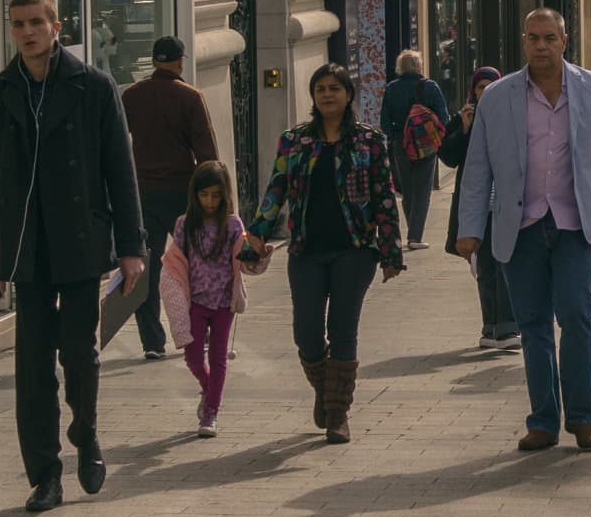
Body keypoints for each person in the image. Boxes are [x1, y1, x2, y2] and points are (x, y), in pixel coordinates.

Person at [0, 0, 145, 513]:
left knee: (78, 352)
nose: (26, 32)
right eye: (18, 24)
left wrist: (131, 247)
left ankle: (86, 435)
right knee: (32, 367)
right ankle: (45, 475)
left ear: (56, 26)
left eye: (35, 23)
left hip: (79, 240)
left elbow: (120, 170)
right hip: (26, 247)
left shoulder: (93, 86)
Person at [455, 8, 591, 453]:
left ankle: (583, 417)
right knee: (532, 324)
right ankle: (543, 421)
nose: (541, 46)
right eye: (533, 37)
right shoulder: (497, 97)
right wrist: (469, 229)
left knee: (577, 315)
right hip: (520, 226)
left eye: (549, 38)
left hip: (574, 223)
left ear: (564, 41)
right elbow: (477, 168)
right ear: (524, 41)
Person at [243, 62, 404, 443]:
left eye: (334, 88)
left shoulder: (370, 141)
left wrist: (390, 251)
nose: (327, 95)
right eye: (321, 89)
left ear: (348, 94)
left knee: (343, 330)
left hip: (355, 250)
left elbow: (384, 197)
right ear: (313, 96)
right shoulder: (294, 141)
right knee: (307, 334)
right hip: (306, 251)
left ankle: (337, 413)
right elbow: (275, 190)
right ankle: (325, 389)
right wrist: (256, 235)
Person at [120, 33, 220, 361]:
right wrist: (215, 195)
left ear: (153, 60)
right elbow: (206, 152)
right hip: (182, 194)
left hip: (143, 194)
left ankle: (152, 341)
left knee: (145, 267)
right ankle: (197, 331)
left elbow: (117, 142)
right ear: (180, 61)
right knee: (193, 264)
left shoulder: (132, 95)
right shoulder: (190, 97)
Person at [158, 161, 253, 437]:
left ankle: (211, 412)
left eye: (216, 195)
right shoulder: (184, 224)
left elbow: (246, 257)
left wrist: (258, 254)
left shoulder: (233, 225)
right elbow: (176, 262)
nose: (210, 201)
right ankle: (208, 387)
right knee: (193, 356)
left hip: (224, 302)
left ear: (225, 195)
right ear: (194, 194)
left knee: (218, 356)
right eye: (204, 195)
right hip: (196, 302)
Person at [442, 66, 519, 351]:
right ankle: (491, 326)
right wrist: (464, 129)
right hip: (478, 207)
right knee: (485, 269)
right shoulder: (463, 118)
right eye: (480, 87)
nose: (485, 92)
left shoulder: (511, 116)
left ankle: (508, 326)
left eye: (490, 86)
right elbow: (448, 157)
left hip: (507, 204)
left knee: (505, 266)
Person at [379, 48, 449, 250]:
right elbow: (444, 117)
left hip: (401, 144)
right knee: (423, 190)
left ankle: (412, 231)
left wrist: (396, 137)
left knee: (408, 189)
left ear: (400, 67)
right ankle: (415, 237)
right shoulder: (430, 87)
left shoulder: (391, 88)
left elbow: (384, 121)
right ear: (419, 66)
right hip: (426, 145)